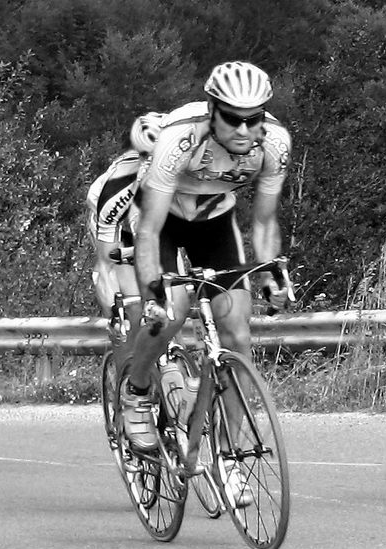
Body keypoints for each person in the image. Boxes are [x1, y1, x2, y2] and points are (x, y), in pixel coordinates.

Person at [123, 61, 292, 504]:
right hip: (162, 219)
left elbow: (264, 221)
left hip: (215, 221)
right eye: (233, 118)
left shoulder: (274, 142)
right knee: (172, 312)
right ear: (212, 111)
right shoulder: (180, 137)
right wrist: (153, 292)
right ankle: (136, 391)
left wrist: (271, 273)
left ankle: (229, 457)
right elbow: (148, 231)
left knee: (237, 332)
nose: (244, 129)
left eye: (253, 118)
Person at [86, 112, 167, 373]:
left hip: (147, 222)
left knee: (169, 296)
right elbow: (106, 264)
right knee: (132, 311)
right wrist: (114, 310)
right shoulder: (118, 189)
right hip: (116, 227)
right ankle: (127, 380)